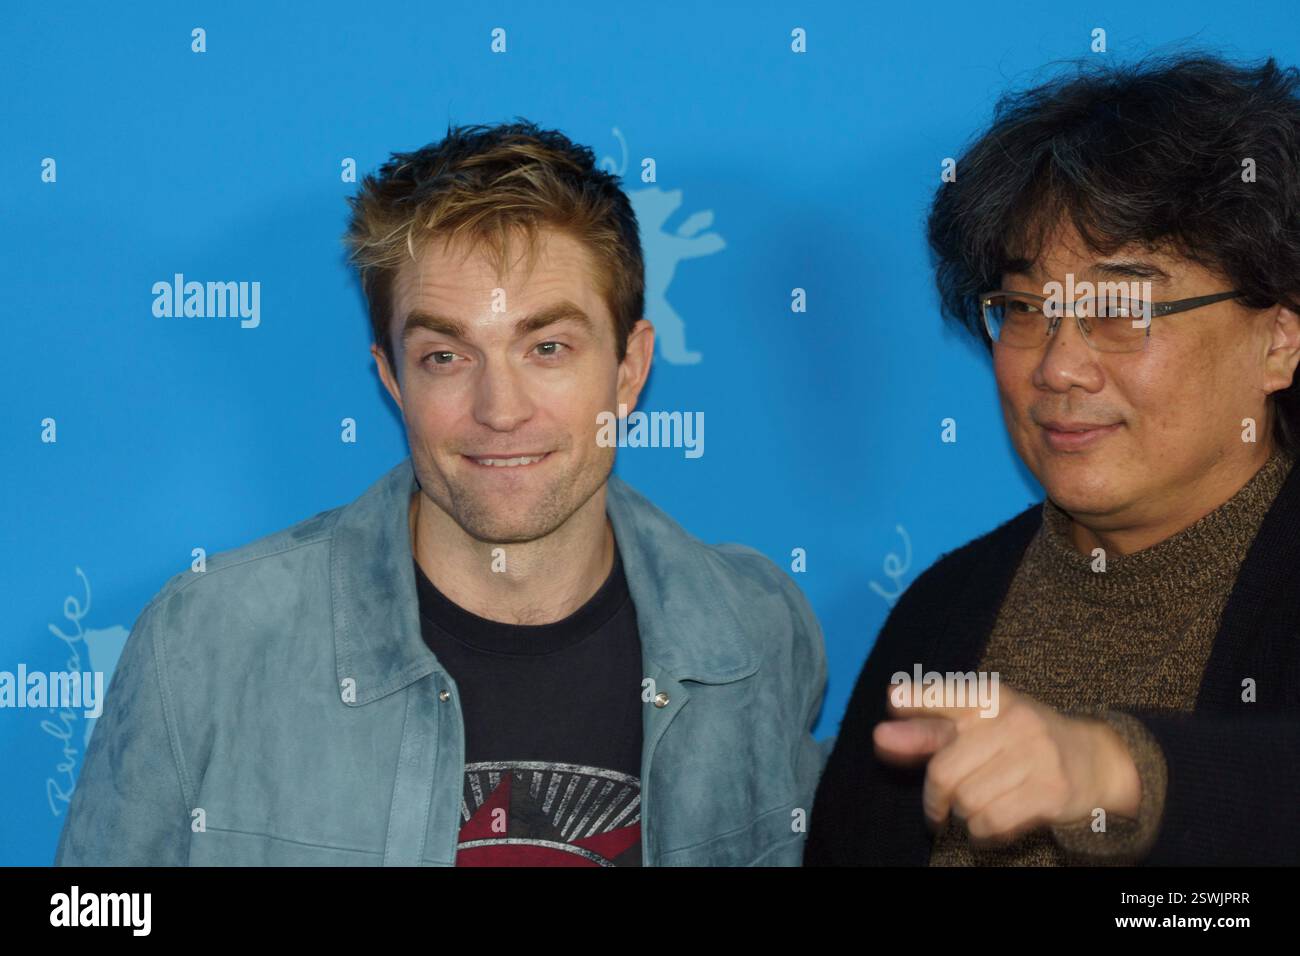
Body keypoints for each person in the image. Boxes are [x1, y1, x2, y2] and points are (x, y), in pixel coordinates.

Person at [56, 121, 829, 867]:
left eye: (547, 347)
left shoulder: (756, 633)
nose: (500, 409)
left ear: (629, 369)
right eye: (445, 356)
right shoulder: (207, 644)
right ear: (391, 378)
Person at [806, 54, 1300, 865]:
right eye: (1028, 308)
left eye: (1119, 307)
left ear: (1277, 341)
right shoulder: (942, 612)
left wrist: (1115, 771)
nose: (1059, 366)